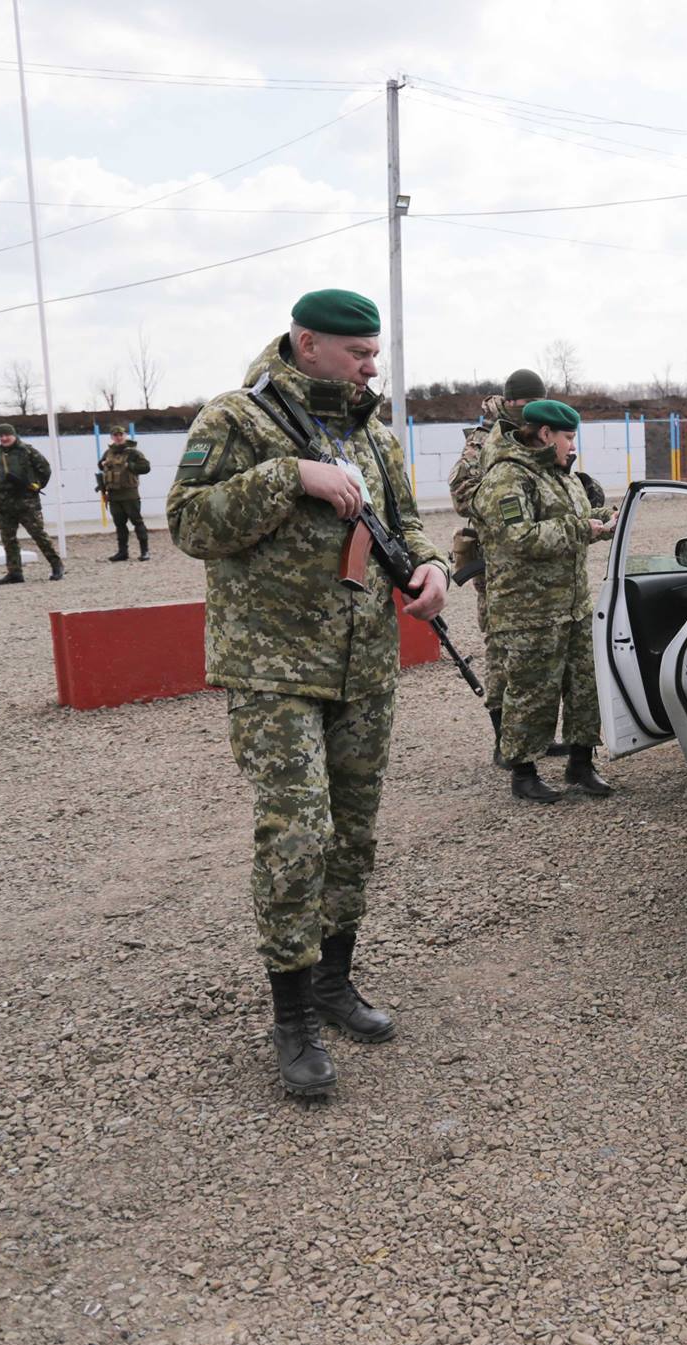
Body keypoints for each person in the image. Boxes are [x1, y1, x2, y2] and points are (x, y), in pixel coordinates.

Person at [168, 288, 449, 1100]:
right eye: (357, 352)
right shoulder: (236, 420)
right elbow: (189, 524)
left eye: (375, 352)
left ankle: (334, 979)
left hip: (364, 664)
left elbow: (409, 522)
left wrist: (428, 567)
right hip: (274, 666)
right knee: (299, 832)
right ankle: (291, 1015)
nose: (371, 365)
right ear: (307, 342)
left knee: (353, 830)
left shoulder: (376, 432)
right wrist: (288, 476)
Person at [469, 399, 614, 803]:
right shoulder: (508, 478)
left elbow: (576, 517)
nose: (573, 446)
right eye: (568, 437)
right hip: (527, 609)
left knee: (584, 687)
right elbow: (520, 538)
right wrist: (581, 528)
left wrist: (606, 520)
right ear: (545, 434)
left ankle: (581, 764)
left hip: (573, 605)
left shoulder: (560, 474)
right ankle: (523, 772)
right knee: (530, 692)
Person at [449, 370, 549, 758]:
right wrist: (506, 503)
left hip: (535, 557)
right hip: (496, 561)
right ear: (508, 404)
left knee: (540, 648)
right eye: (522, 407)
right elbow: (462, 495)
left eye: (534, 406)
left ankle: (533, 735)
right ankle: (504, 740)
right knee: (501, 649)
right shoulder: (486, 438)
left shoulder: (541, 432)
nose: (529, 414)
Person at [0, 423, 63, 585]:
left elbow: (45, 469)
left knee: (39, 535)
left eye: (7, 434)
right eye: (0, 436)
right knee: (8, 539)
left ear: (14, 434)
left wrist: (36, 485)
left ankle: (56, 565)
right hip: (4, 503)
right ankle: (15, 572)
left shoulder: (27, 451)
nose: (4, 438)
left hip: (26, 501)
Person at [96, 427, 153, 562]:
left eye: (121, 434)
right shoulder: (108, 452)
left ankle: (145, 551)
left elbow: (146, 467)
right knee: (119, 524)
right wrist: (102, 463)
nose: (118, 437)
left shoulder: (133, 453)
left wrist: (130, 466)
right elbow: (101, 466)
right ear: (112, 437)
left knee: (137, 522)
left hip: (129, 494)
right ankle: (123, 552)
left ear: (125, 435)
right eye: (115, 435)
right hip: (114, 495)